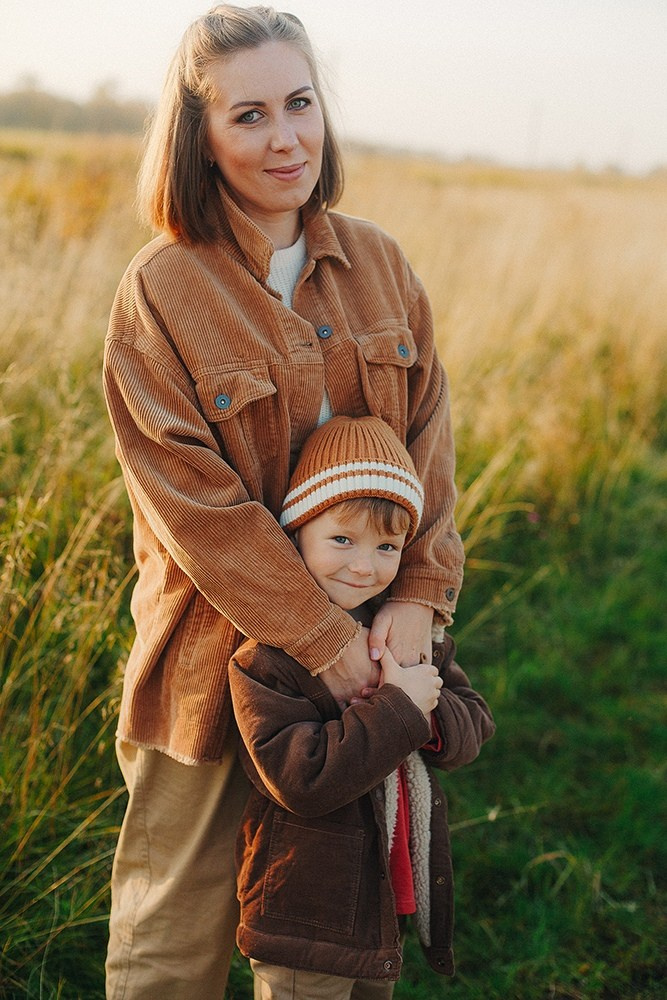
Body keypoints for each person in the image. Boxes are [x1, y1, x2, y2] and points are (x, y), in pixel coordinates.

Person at [103, 5, 465, 998]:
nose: (285, 139)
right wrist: (321, 638)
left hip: (368, 670)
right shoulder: (162, 290)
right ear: (200, 134)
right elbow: (195, 509)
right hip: (206, 668)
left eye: (299, 104)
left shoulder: (382, 266)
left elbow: (429, 455)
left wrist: (414, 602)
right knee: (171, 938)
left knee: (330, 945)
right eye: (249, 115)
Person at [229, 415, 495, 998]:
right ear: (296, 532)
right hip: (308, 910)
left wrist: (425, 709)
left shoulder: (403, 633)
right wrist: (399, 708)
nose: (364, 566)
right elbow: (302, 779)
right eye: (342, 540)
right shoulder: (268, 657)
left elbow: (474, 724)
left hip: (383, 898)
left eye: (387, 547)